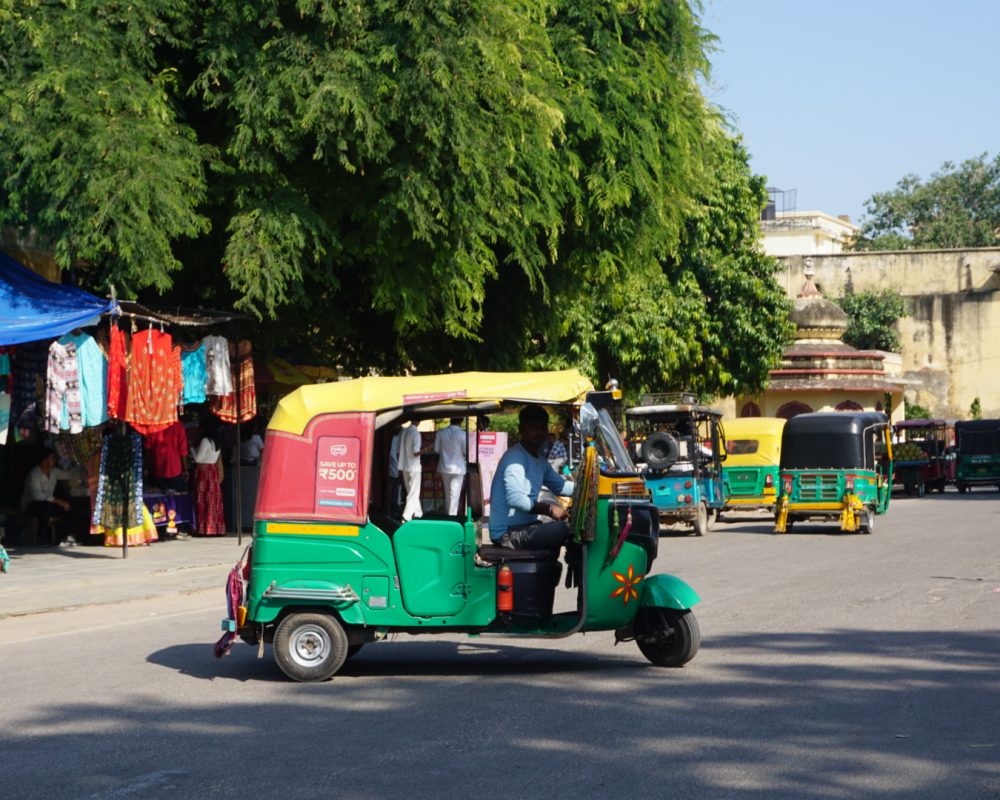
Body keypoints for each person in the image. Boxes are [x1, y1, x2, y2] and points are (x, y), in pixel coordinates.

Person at [488, 405, 575, 549]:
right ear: (521, 430)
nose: (539, 432)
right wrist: (549, 509)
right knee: (563, 530)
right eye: (533, 427)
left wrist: (589, 488)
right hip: (507, 534)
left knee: (570, 529)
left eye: (542, 428)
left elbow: (562, 487)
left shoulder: (540, 461)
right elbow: (516, 499)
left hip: (525, 527)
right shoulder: (515, 458)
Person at [20, 449, 72, 546]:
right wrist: (58, 501)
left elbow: (69, 475)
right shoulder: (34, 474)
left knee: (68, 505)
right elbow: (37, 496)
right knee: (46, 506)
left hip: (48, 503)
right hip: (30, 505)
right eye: (52, 459)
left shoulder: (54, 472)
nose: (54, 461)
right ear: (44, 461)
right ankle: (41, 537)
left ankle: (64, 537)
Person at [192, 427, 226, 535]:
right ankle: (214, 528)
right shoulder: (216, 442)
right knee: (213, 500)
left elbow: (198, 458)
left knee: (202, 500)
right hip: (212, 471)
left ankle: (204, 528)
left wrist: (191, 449)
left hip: (204, 471)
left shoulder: (205, 441)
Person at [434, 417, 467, 516]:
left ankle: (448, 514)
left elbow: (436, 450)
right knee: (454, 494)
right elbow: (466, 451)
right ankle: (452, 516)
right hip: (458, 468)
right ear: (461, 422)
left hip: (444, 466)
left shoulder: (440, 433)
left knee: (447, 493)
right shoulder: (462, 434)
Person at [398, 421, 425, 521]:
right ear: (418, 421)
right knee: (413, 492)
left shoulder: (403, 432)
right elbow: (416, 452)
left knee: (411, 491)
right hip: (414, 467)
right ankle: (406, 515)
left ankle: (418, 513)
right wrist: (427, 448)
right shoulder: (416, 434)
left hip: (405, 465)